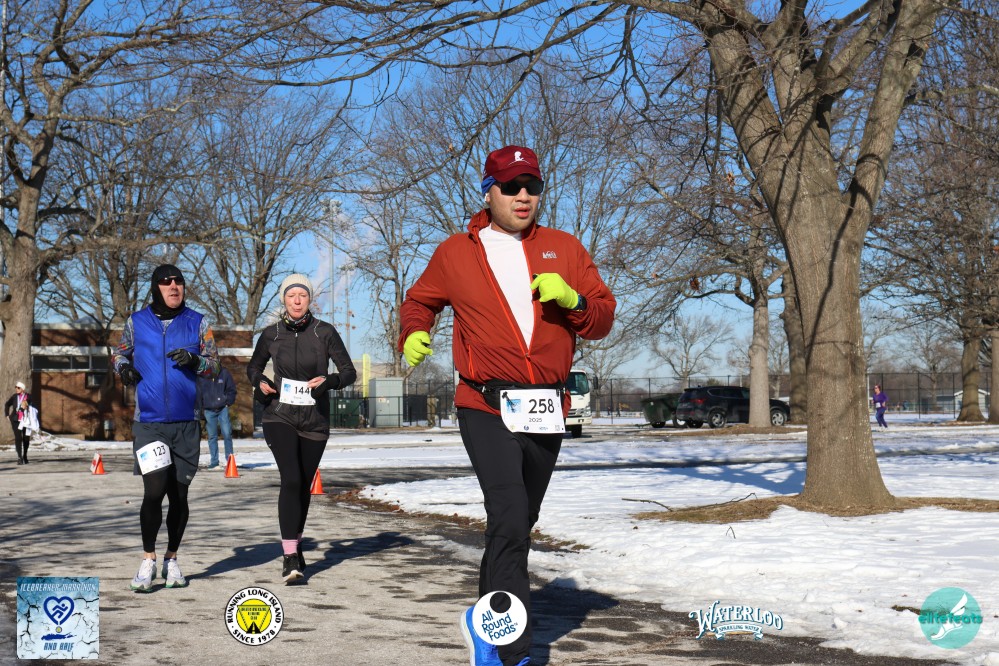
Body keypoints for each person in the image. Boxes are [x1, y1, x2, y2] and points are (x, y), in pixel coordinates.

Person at [399, 145, 615, 666]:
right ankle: (513, 651)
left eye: (532, 186)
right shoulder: (456, 252)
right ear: (488, 192)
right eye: (511, 186)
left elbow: (603, 317)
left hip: (545, 406)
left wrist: (574, 300)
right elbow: (419, 300)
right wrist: (413, 332)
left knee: (516, 524)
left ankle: (485, 623)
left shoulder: (564, 248)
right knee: (511, 513)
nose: (523, 196)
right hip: (485, 403)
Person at [112, 264, 221, 592]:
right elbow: (118, 355)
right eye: (166, 282)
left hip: (186, 424)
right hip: (150, 424)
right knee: (154, 490)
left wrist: (195, 361)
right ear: (155, 287)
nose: (174, 287)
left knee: (179, 496)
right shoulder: (136, 322)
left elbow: (215, 366)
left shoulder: (198, 322)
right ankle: (148, 559)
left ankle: (171, 559)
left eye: (179, 282)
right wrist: (124, 369)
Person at [247, 273, 356, 583]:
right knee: (291, 479)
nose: (297, 301)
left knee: (303, 485)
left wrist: (330, 381)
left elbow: (349, 372)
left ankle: (295, 544)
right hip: (279, 415)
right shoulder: (271, 334)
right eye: (291, 295)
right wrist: (260, 382)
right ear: (284, 299)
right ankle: (290, 556)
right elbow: (253, 367)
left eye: (302, 295)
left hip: (314, 420)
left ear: (310, 299)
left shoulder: (325, 332)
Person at [197, 366, 237, 468]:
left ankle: (230, 461)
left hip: (223, 408)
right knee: (212, 436)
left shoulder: (224, 373)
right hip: (208, 410)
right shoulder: (201, 375)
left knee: (227, 434)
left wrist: (228, 402)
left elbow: (232, 389)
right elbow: (198, 394)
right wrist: (201, 411)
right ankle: (214, 461)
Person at [5, 381, 31, 465]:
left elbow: (31, 404)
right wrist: (7, 414)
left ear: (22, 389)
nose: (16, 389)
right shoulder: (14, 396)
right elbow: (7, 404)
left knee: (26, 438)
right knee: (18, 438)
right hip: (15, 420)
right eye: (16, 387)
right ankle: (19, 457)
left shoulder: (28, 396)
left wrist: (27, 404)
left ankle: (25, 456)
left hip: (26, 420)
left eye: (18, 388)